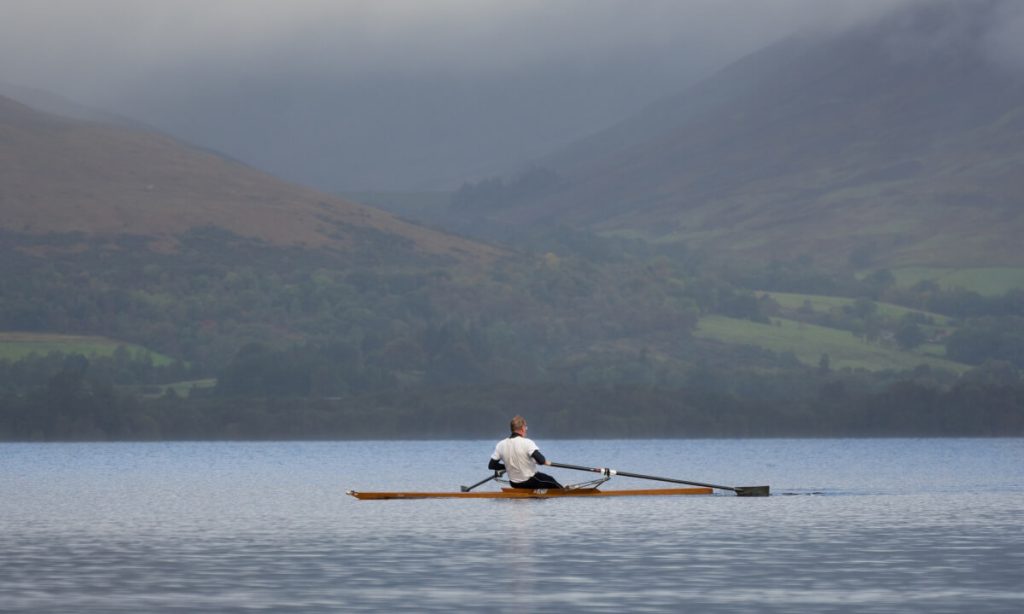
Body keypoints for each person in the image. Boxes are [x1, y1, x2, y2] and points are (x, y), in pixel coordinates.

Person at [488, 415, 563, 489]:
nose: (526, 429)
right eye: (526, 427)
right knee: (552, 481)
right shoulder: (527, 442)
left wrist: (508, 467)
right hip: (530, 481)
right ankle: (564, 491)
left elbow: (491, 465)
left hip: (514, 484)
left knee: (543, 484)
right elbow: (541, 461)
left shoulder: (500, 444)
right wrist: (543, 461)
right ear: (523, 428)